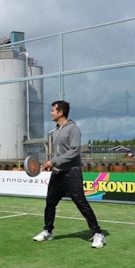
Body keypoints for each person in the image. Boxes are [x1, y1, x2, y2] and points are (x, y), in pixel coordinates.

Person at [33, 100, 105, 248]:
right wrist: (52, 163)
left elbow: (74, 151)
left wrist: (53, 162)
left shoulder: (74, 129)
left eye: (53, 110)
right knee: (50, 203)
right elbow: (60, 153)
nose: (51, 113)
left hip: (72, 172)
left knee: (80, 202)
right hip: (58, 173)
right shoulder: (56, 130)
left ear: (61, 112)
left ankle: (98, 233)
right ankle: (48, 231)